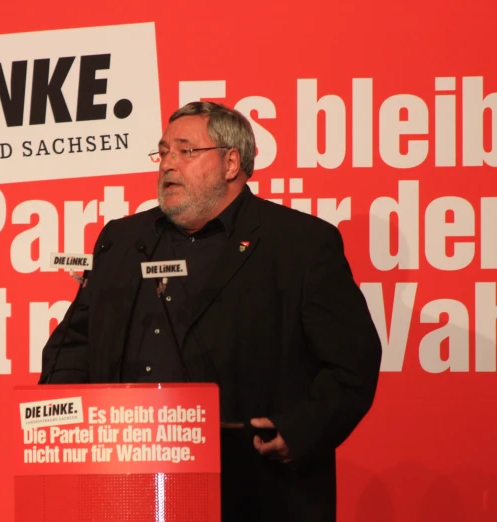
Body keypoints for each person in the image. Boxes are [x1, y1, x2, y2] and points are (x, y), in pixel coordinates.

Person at [38, 101, 382, 522]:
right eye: (163, 152)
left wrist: (301, 430)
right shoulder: (124, 240)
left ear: (231, 162)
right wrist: (65, 421)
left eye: (186, 151)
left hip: (255, 487)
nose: (168, 164)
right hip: (128, 486)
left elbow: (353, 362)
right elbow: (75, 343)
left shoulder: (300, 244)